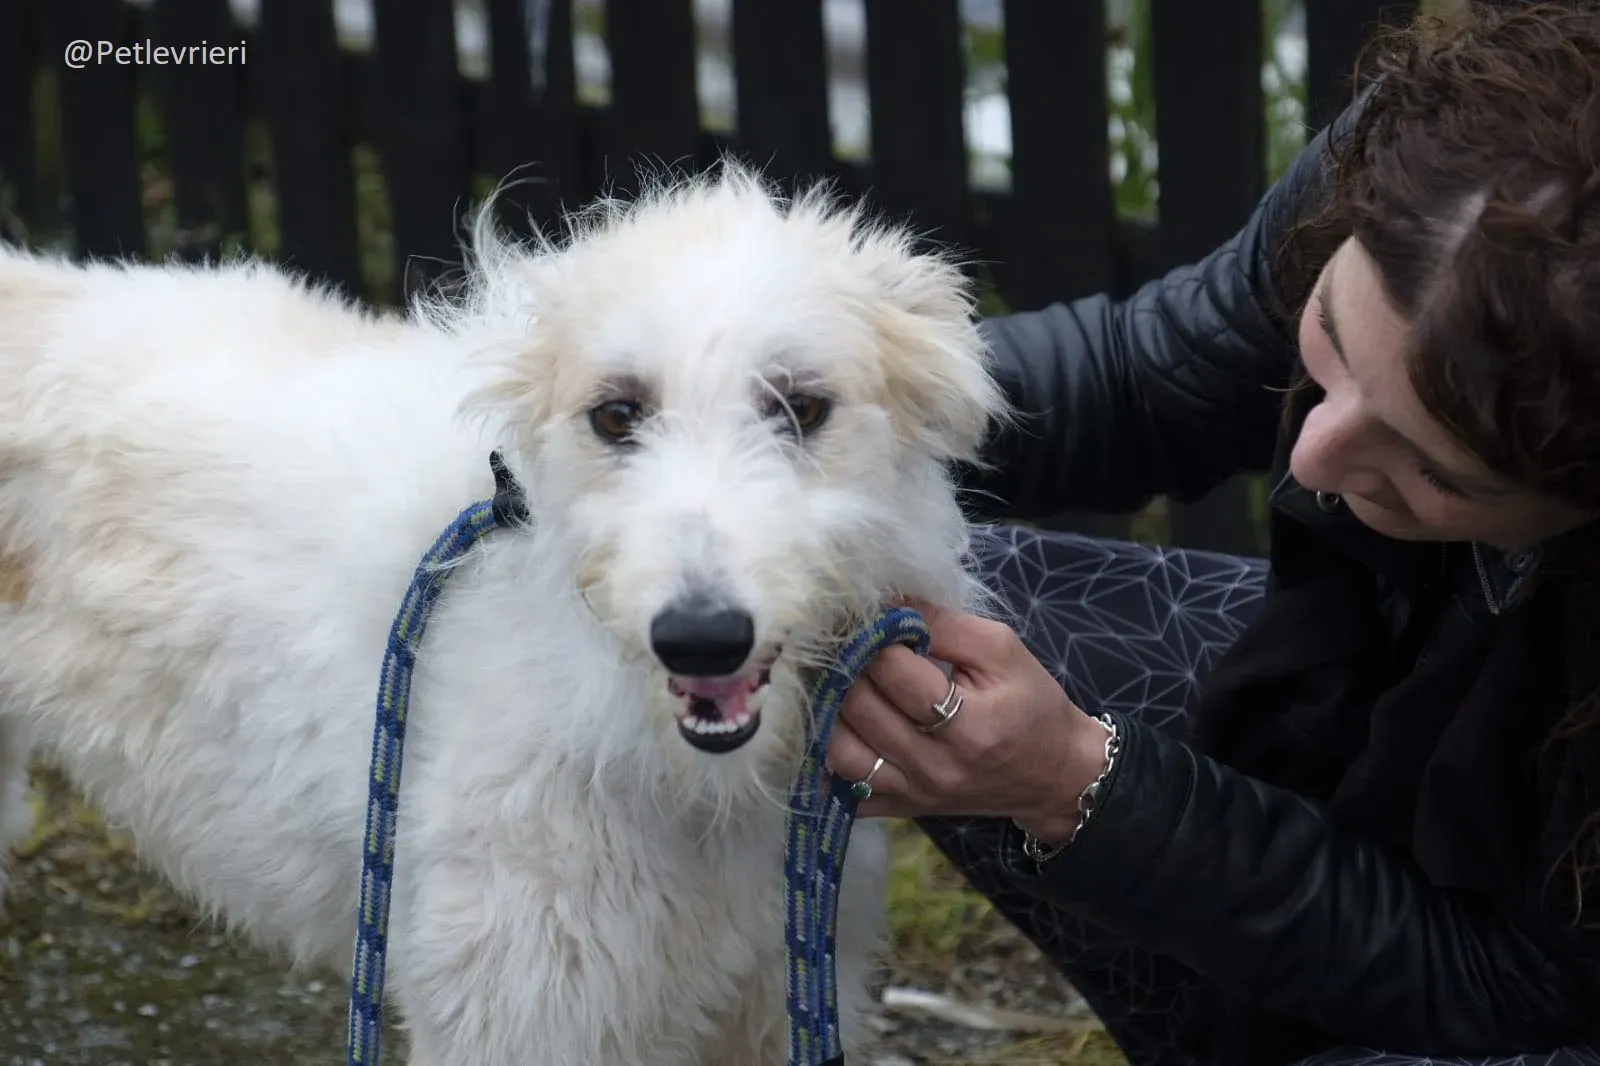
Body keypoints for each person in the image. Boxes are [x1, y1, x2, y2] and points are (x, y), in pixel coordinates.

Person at [824, 4, 1600, 1064]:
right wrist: (820, 414)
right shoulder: (1442, 160)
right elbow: (1149, 375)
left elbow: (1509, 987)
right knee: (946, 601)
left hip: (1542, 983)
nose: (1314, 461)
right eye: (1326, 335)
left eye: (1431, 467)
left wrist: (1075, 782)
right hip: (1379, 692)